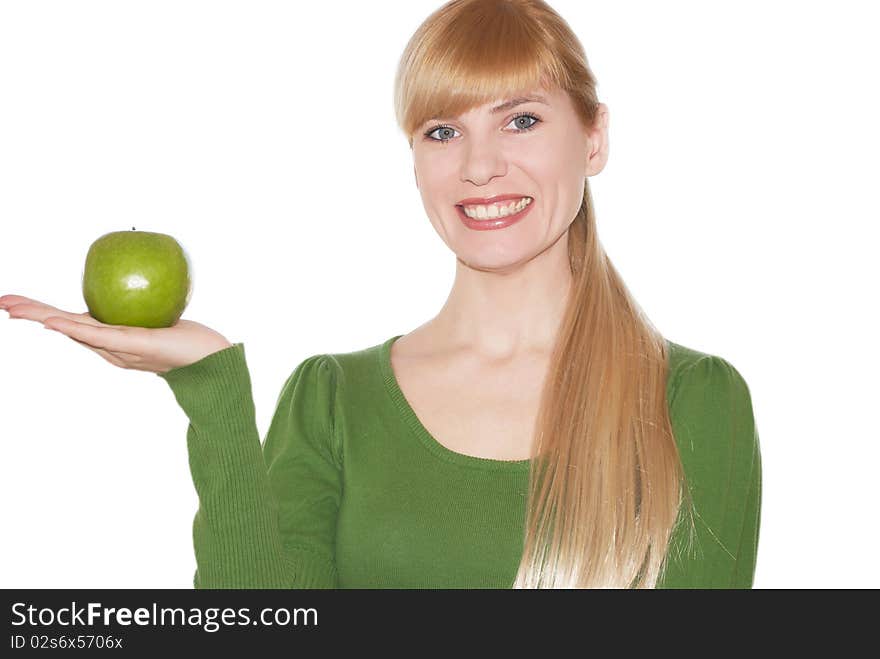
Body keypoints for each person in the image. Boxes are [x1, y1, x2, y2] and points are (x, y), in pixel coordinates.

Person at [0, 0, 761, 588]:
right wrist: (211, 389)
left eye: (521, 120)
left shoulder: (693, 401)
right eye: (442, 132)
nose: (480, 165)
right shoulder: (331, 398)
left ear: (593, 139)